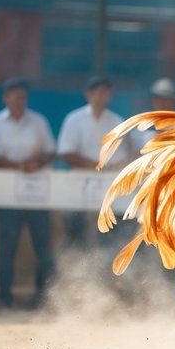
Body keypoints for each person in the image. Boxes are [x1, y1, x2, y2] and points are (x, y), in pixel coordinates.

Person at [0, 78, 57, 310]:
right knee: (7, 247)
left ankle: (44, 299)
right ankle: (4, 299)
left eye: (23, 97)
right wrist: (17, 166)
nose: (19, 101)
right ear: (5, 98)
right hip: (7, 196)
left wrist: (36, 163)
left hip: (37, 194)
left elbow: (50, 152)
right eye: (14, 96)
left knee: (43, 248)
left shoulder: (38, 121)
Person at [58, 76, 126, 247]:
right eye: (98, 92)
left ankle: (104, 271)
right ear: (88, 95)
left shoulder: (117, 121)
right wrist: (94, 165)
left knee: (109, 234)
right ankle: (74, 268)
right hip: (78, 184)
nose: (102, 97)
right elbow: (65, 152)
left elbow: (123, 157)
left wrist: (110, 168)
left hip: (107, 186)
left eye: (106, 93)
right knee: (75, 233)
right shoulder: (74, 119)